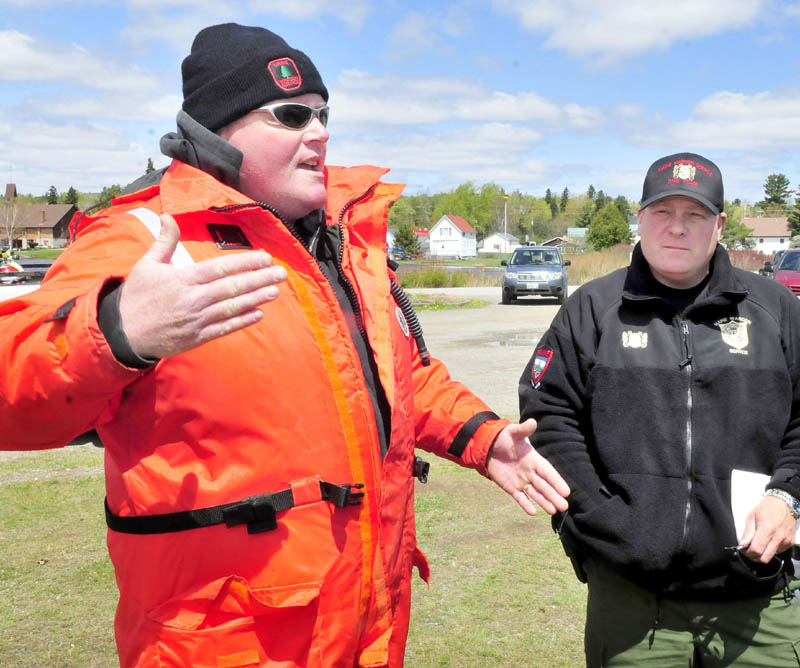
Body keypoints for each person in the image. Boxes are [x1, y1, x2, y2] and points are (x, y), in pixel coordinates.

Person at [0, 23, 569, 668]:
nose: (321, 132)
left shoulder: (343, 243)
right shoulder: (143, 240)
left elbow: (400, 374)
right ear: (216, 130)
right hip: (224, 645)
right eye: (292, 115)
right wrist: (118, 330)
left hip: (365, 625)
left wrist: (483, 438)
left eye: (325, 115)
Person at [519, 152, 800, 667]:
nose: (677, 228)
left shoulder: (776, 310)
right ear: (640, 218)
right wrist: (601, 516)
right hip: (631, 599)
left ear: (719, 225)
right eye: (662, 212)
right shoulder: (592, 309)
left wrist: (788, 496)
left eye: (694, 215)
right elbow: (549, 417)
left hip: (757, 595)